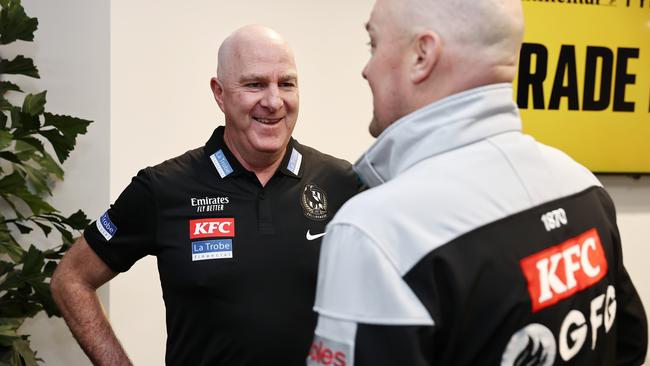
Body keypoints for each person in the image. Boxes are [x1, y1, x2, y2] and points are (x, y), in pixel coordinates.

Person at [308, 0, 648, 365]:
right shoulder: (583, 186)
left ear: (423, 55)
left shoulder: (378, 232)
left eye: (373, 45)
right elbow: (628, 346)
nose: (366, 70)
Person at [50, 25, 359, 366]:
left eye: (286, 83)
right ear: (219, 93)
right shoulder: (164, 188)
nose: (273, 102)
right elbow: (71, 279)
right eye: (255, 84)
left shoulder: (340, 182)